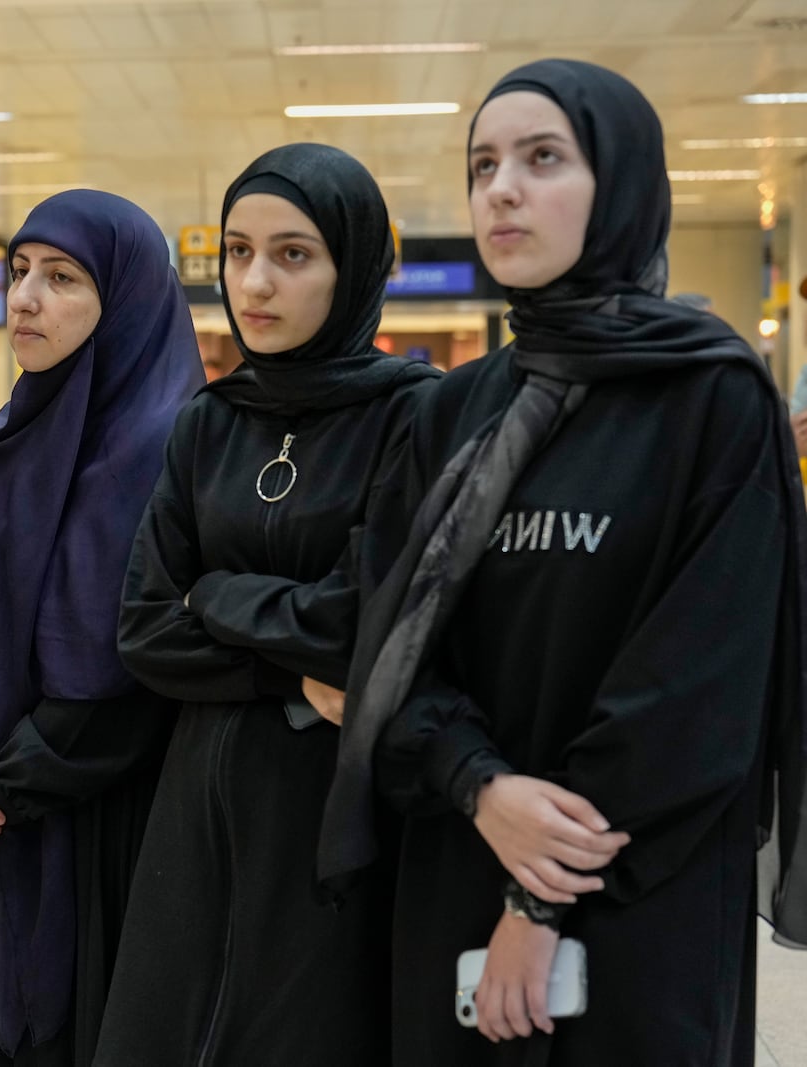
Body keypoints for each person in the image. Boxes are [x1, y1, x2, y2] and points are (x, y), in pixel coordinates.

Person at [319, 59, 807, 1065]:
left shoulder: (711, 399)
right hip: (458, 841)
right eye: (482, 163)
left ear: (620, 181)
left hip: (638, 881)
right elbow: (387, 640)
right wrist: (479, 786)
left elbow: (698, 688)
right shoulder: (448, 410)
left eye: (543, 158)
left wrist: (536, 901)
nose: (500, 187)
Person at [92, 145, 439, 1066]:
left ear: (355, 264)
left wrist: (216, 590)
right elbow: (144, 626)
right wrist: (285, 665)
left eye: (293, 254)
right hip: (199, 803)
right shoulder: (210, 421)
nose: (255, 282)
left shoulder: (416, 416)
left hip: (339, 804)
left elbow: (362, 621)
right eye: (238, 252)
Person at [0, 190, 203, 1066]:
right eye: (19, 272)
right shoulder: (5, 441)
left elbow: (145, 665)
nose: (26, 297)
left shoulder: (171, 447)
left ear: (128, 298)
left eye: (62, 277)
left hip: (106, 829)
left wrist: (1, 789)